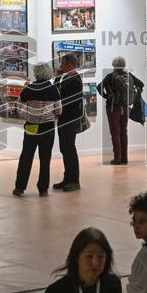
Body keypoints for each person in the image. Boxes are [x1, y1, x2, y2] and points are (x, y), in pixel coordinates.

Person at [13, 62, 61, 197]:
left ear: (36, 73)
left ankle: (19, 187)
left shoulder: (29, 89)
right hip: (48, 127)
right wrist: (51, 116)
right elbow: (59, 109)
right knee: (45, 159)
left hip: (31, 126)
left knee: (26, 157)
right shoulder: (53, 89)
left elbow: (19, 109)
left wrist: (29, 116)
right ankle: (43, 189)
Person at [98, 57, 143, 165]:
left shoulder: (110, 77)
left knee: (115, 133)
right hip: (126, 107)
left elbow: (99, 87)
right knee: (124, 132)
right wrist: (135, 96)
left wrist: (106, 96)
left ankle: (117, 159)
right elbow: (141, 84)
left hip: (114, 108)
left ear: (114, 65)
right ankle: (124, 158)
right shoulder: (129, 75)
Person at [53, 53, 83, 192]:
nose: (61, 66)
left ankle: (74, 181)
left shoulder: (75, 80)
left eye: (63, 63)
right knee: (64, 149)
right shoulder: (67, 78)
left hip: (70, 119)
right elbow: (54, 91)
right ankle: (67, 178)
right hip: (64, 118)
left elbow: (69, 100)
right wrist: (58, 77)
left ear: (70, 64)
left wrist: (59, 106)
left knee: (70, 149)